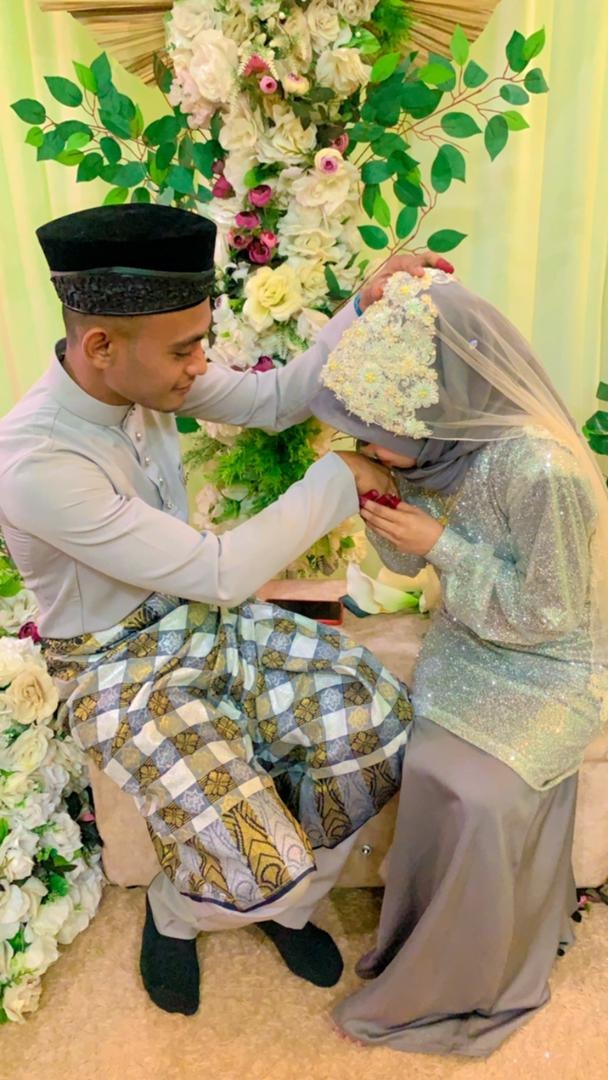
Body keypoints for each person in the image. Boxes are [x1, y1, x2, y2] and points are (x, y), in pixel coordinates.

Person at [0, 202, 443, 1018]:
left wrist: (362, 303)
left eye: (200, 342)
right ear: (100, 347)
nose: (199, 366)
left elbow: (275, 400)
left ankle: (289, 909)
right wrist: (342, 478)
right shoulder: (36, 462)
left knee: (377, 723)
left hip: (202, 621)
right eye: (185, 349)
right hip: (118, 672)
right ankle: (176, 911)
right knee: (256, 856)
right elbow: (219, 570)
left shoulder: (143, 372)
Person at [311, 268, 608, 1056]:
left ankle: (470, 978)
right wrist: (379, 495)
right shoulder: (444, 452)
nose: (369, 447)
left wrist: (441, 543)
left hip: (549, 669)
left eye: (377, 434)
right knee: (430, 767)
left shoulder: (542, 470)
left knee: (479, 798)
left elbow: (551, 613)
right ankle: (426, 945)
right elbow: (408, 563)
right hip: (468, 646)